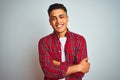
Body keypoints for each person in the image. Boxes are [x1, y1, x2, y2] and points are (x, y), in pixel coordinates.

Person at [38, 3, 90, 80]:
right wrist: (78, 67)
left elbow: (80, 73)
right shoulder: (43, 42)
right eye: (54, 18)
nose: (58, 21)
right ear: (50, 22)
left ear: (67, 18)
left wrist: (58, 64)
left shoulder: (79, 40)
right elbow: (48, 73)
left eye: (61, 17)